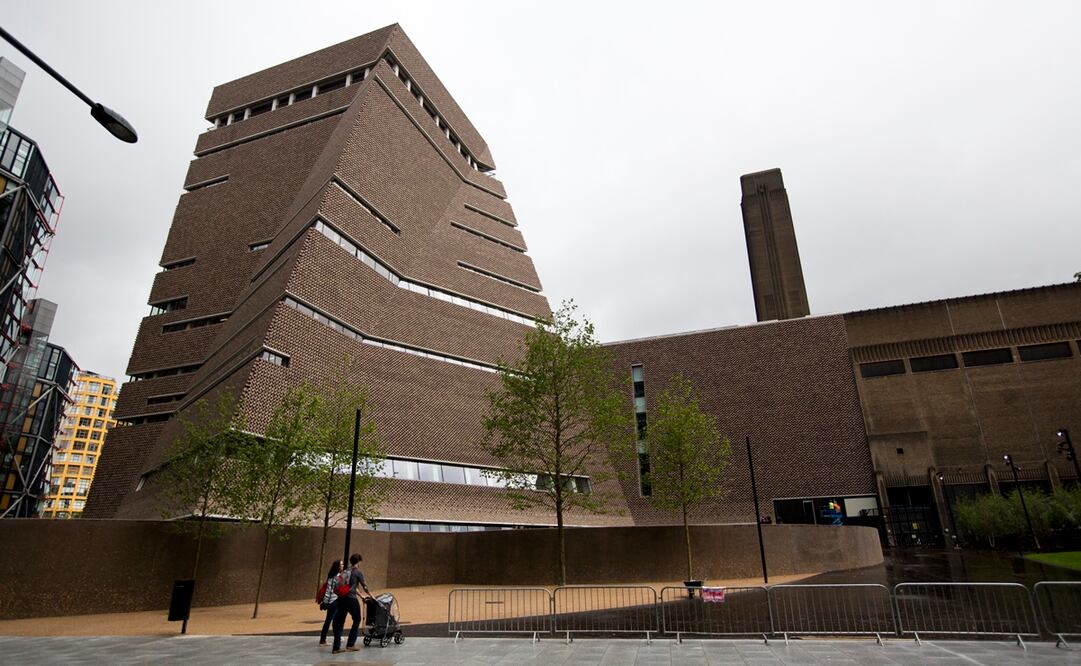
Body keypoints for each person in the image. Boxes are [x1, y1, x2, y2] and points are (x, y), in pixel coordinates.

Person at [331, 552, 372, 654]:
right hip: (351, 599)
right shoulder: (358, 572)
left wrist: (361, 596)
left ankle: (336, 647)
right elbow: (364, 586)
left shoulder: (346, 571)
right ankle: (350, 644)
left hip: (342, 599)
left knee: (339, 621)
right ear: (359, 561)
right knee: (357, 619)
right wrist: (371, 596)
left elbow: (351, 586)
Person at [318, 560, 342, 647]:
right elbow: (339, 589)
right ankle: (323, 640)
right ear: (338, 567)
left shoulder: (330, 576)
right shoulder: (338, 577)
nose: (343, 566)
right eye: (341, 564)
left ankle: (336, 636)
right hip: (333, 601)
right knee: (331, 620)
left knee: (331, 619)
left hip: (328, 600)